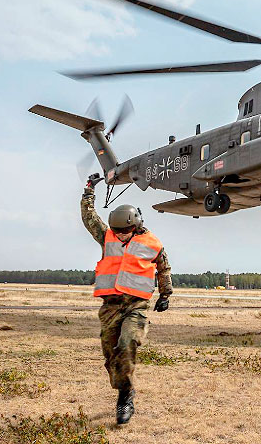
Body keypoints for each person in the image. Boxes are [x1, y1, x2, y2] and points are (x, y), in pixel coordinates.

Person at [82, 175, 172, 425]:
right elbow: (89, 218)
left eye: (125, 231)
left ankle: (125, 397)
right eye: (117, 231)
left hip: (136, 306)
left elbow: (164, 268)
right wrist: (89, 191)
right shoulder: (107, 236)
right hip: (110, 306)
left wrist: (165, 294)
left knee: (127, 343)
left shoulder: (152, 243)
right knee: (111, 355)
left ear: (135, 225)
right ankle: (124, 386)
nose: (120, 235)